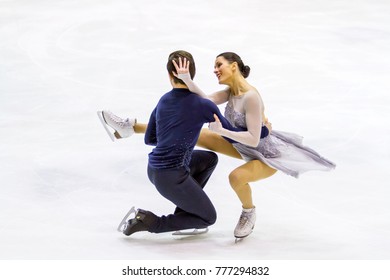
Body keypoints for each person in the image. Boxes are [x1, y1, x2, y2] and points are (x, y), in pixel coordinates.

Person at [99, 52, 336, 240]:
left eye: (219, 64)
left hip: (264, 155)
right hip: (238, 144)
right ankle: (130, 127)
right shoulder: (229, 92)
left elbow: (254, 140)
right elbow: (205, 102)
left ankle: (248, 212)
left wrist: (222, 131)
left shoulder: (251, 96)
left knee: (236, 178)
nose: (215, 69)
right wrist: (188, 81)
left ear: (234, 66)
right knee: (197, 134)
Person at [99, 50, 250, 237]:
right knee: (208, 218)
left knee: (209, 159)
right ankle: (147, 220)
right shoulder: (203, 105)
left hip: (154, 170)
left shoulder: (163, 101)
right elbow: (231, 136)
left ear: (170, 74)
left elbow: (150, 139)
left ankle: (185, 215)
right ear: (192, 74)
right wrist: (262, 130)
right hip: (171, 177)